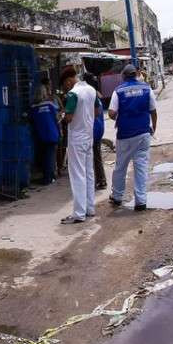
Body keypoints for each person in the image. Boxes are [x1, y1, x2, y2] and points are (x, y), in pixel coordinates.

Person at [107, 64, 158, 211]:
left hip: (125, 135)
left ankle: (117, 197)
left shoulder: (118, 91)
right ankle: (141, 201)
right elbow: (153, 111)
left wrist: (119, 115)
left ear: (123, 76)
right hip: (143, 133)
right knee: (141, 167)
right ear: (136, 74)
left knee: (120, 167)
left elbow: (111, 113)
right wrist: (153, 128)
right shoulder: (147, 88)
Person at [60, 67, 97, 225]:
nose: (66, 88)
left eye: (65, 85)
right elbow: (95, 111)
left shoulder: (73, 94)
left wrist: (62, 115)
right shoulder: (91, 90)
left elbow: (68, 118)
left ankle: (79, 213)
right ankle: (89, 208)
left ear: (69, 80)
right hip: (89, 136)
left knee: (77, 175)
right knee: (88, 173)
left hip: (77, 138)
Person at [30, 84, 61, 185]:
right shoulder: (50, 105)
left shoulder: (33, 108)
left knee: (44, 156)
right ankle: (49, 178)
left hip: (41, 135)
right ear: (45, 93)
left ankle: (46, 176)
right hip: (52, 134)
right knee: (51, 156)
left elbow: (32, 120)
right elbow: (57, 118)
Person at [89, 75, 108, 191]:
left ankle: (100, 180)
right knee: (97, 156)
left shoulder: (92, 97)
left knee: (94, 157)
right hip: (99, 128)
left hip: (94, 130)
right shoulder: (97, 96)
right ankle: (101, 180)